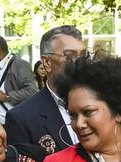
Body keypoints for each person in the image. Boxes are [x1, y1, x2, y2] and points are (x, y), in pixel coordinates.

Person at [6, 25, 87, 154]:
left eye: (83, 55)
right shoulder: (22, 119)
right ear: (47, 63)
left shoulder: (105, 103)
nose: (80, 63)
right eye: (70, 56)